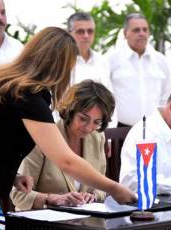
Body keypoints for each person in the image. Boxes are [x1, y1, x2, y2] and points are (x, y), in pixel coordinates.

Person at [0, 27, 136, 230]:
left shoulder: (3, 81)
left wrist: (12, 175)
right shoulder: (28, 95)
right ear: (60, 67)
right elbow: (66, 161)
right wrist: (114, 188)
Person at [10, 80, 114, 211]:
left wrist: (93, 195)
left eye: (97, 122)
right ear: (70, 110)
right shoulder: (42, 136)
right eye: (83, 119)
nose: (88, 128)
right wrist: (50, 199)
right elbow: (18, 194)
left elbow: (101, 186)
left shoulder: (97, 137)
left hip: (88, 222)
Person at [107, 13, 171, 127]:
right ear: (125, 33)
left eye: (145, 30)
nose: (141, 33)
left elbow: (166, 96)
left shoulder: (160, 61)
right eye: (136, 30)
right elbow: (106, 94)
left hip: (154, 129)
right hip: (121, 128)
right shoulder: (111, 60)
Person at [66, 12, 116, 127]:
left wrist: (108, 128)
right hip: (66, 129)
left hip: (98, 130)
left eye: (90, 31)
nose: (86, 35)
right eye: (80, 31)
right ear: (69, 33)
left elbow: (109, 96)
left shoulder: (102, 61)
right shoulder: (61, 61)